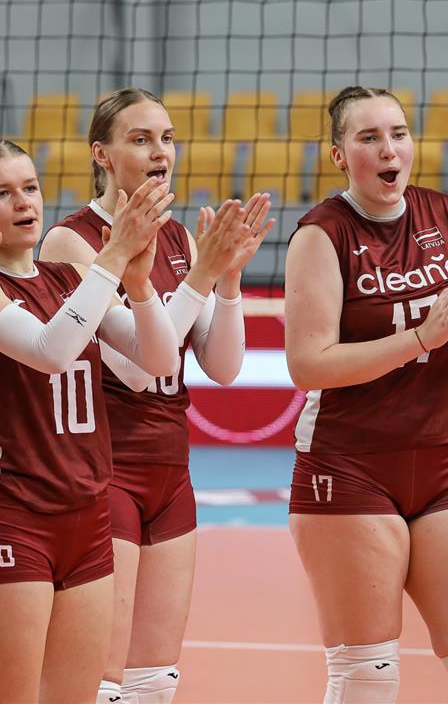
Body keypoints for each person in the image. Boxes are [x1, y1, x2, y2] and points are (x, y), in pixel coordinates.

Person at [284, 86, 448, 704]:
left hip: (446, 461)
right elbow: (308, 365)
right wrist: (419, 338)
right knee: (367, 677)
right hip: (349, 465)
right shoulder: (321, 234)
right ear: (340, 155)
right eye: (369, 138)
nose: (389, 149)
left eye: (398, 133)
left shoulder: (445, 214)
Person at [40, 88, 273, 704]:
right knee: (102, 680)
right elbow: (138, 370)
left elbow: (223, 366)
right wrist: (202, 275)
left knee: (155, 680)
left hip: (170, 470)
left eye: (166, 138)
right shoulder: (72, 242)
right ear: (103, 154)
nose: (159, 151)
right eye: (140, 139)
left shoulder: (179, 239)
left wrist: (227, 278)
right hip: (104, 470)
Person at [0, 137, 183, 702]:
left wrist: (140, 285)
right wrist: (111, 261)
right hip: (13, 515)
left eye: (29, 187)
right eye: (2, 193)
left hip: (87, 518)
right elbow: (50, 351)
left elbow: (156, 362)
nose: (23, 202)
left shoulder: (72, 276)